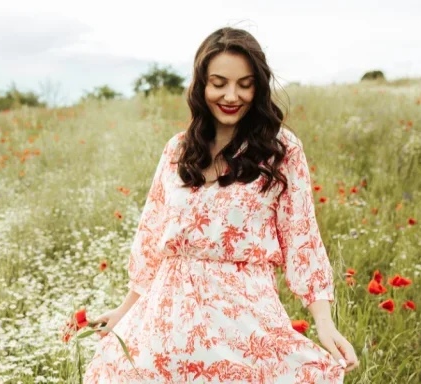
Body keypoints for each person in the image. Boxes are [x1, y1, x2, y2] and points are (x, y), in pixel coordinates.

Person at [82, 27, 359, 383]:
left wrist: (324, 322)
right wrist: (125, 309)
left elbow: (302, 239)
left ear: (259, 87)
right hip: (166, 324)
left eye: (245, 84)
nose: (231, 95)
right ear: (201, 86)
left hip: (242, 323)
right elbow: (151, 235)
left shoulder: (281, 150)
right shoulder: (178, 150)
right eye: (219, 83)